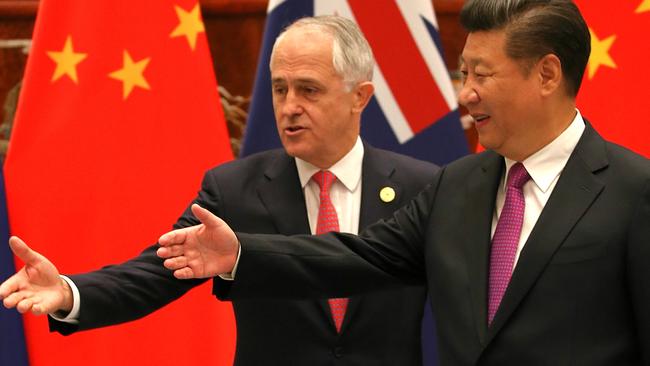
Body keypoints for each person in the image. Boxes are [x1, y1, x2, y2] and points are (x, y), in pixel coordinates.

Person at [149, 1, 649, 365]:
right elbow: (360, 256)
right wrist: (240, 254)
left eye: (482, 75)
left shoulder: (634, 192)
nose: (465, 93)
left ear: (546, 74)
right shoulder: (457, 184)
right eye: (463, 72)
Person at [0, 16, 440, 365]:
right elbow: (155, 273)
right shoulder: (234, 189)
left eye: (309, 90)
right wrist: (69, 292)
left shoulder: (422, 187)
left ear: (359, 96)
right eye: (279, 88)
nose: (289, 107)